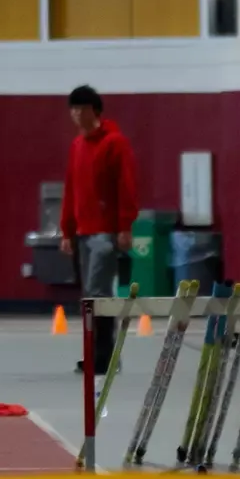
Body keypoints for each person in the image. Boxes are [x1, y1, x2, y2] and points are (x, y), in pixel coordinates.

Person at [59, 84, 138, 377]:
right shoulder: (77, 146)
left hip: (105, 233)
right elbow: (71, 190)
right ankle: (97, 355)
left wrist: (124, 226)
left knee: (97, 295)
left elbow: (126, 187)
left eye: (81, 109)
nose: (76, 115)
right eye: (73, 109)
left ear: (95, 111)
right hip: (82, 232)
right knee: (90, 297)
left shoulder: (115, 143)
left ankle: (103, 357)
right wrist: (67, 230)